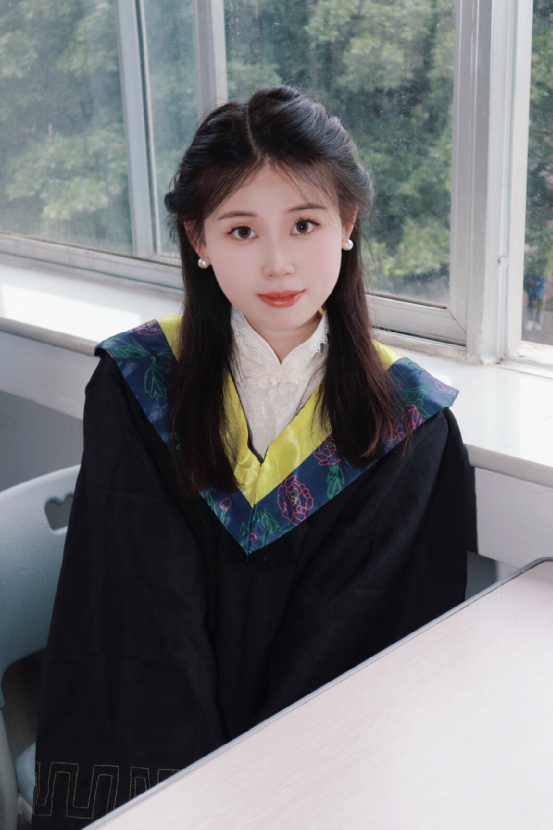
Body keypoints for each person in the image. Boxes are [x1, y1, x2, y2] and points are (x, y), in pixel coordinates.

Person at [33, 86, 468, 827]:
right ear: (198, 240)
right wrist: (204, 799)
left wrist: (270, 790)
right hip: (158, 753)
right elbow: (140, 615)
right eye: (240, 230)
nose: (277, 264)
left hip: (323, 773)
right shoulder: (139, 384)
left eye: (304, 224)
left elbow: (368, 636)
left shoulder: (407, 419)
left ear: (347, 224)